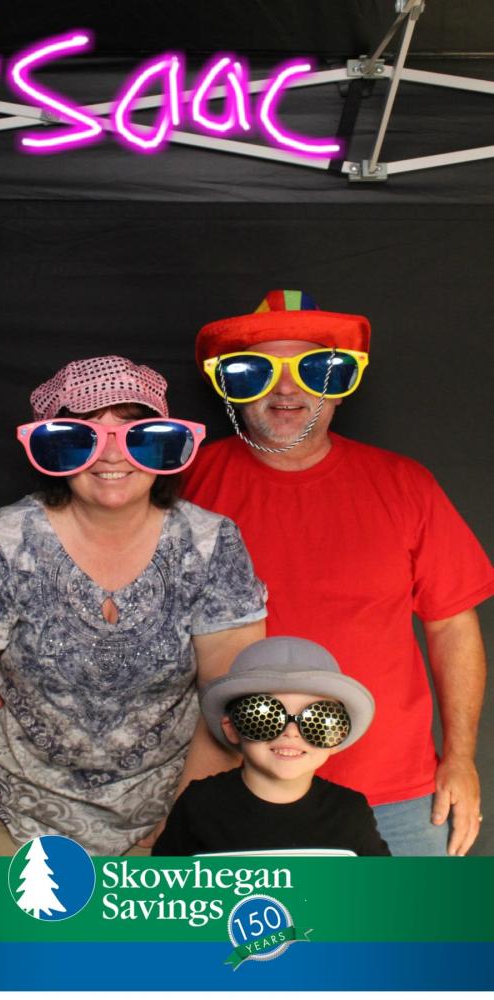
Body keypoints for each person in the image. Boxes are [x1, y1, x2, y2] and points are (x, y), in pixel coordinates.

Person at [181, 289, 494, 856]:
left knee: (410, 920)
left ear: (342, 383)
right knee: (230, 921)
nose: (286, 390)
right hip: (231, 792)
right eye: (258, 370)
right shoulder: (186, 483)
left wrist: (460, 758)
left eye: (313, 369)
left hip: (394, 795)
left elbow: (452, 625)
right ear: (229, 385)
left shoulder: (405, 485)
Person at [0, 355, 267, 857]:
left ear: (165, 446)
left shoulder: (211, 544)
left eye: (136, 434)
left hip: (164, 821)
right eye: (82, 436)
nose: (111, 455)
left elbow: (226, 698)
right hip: (11, 822)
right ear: (52, 449)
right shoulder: (4, 540)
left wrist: (182, 823)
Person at [153, 636, 390, 856]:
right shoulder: (200, 803)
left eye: (317, 718)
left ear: (337, 736)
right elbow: (165, 881)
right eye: (265, 716)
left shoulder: (350, 811)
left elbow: (381, 885)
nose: (291, 731)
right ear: (232, 728)